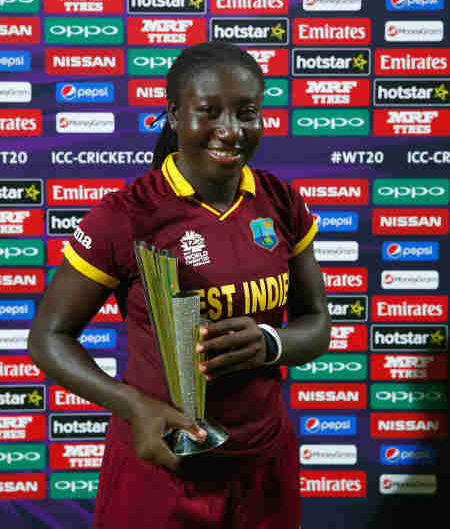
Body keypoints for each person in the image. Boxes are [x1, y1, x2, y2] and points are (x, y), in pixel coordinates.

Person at [28, 41, 330, 529]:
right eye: (209, 112)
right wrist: (134, 406)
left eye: (247, 112)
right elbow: (47, 337)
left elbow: (318, 325)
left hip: (263, 467)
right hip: (164, 469)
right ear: (173, 114)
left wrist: (271, 344)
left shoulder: (281, 202)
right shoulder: (128, 215)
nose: (230, 130)